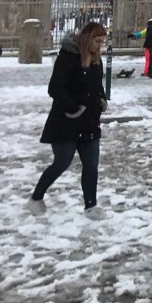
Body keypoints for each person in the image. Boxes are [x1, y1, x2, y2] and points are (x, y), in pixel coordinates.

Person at [29, 23, 108, 214]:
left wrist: (102, 99)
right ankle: (36, 197)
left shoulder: (96, 59)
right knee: (62, 162)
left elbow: (97, 84)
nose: (100, 46)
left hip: (89, 120)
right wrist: (75, 106)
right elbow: (55, 88)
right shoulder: (68, 56)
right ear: (87, 39)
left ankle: (91, 205)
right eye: (97, 41)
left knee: (91, 166)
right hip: (67, 120)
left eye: (102, 42)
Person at [130, 14, 152, 78]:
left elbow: (142, 33)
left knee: (151, 60)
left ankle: (150, 72)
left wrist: (133, 35)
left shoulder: (150, 27)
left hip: (150, 45)